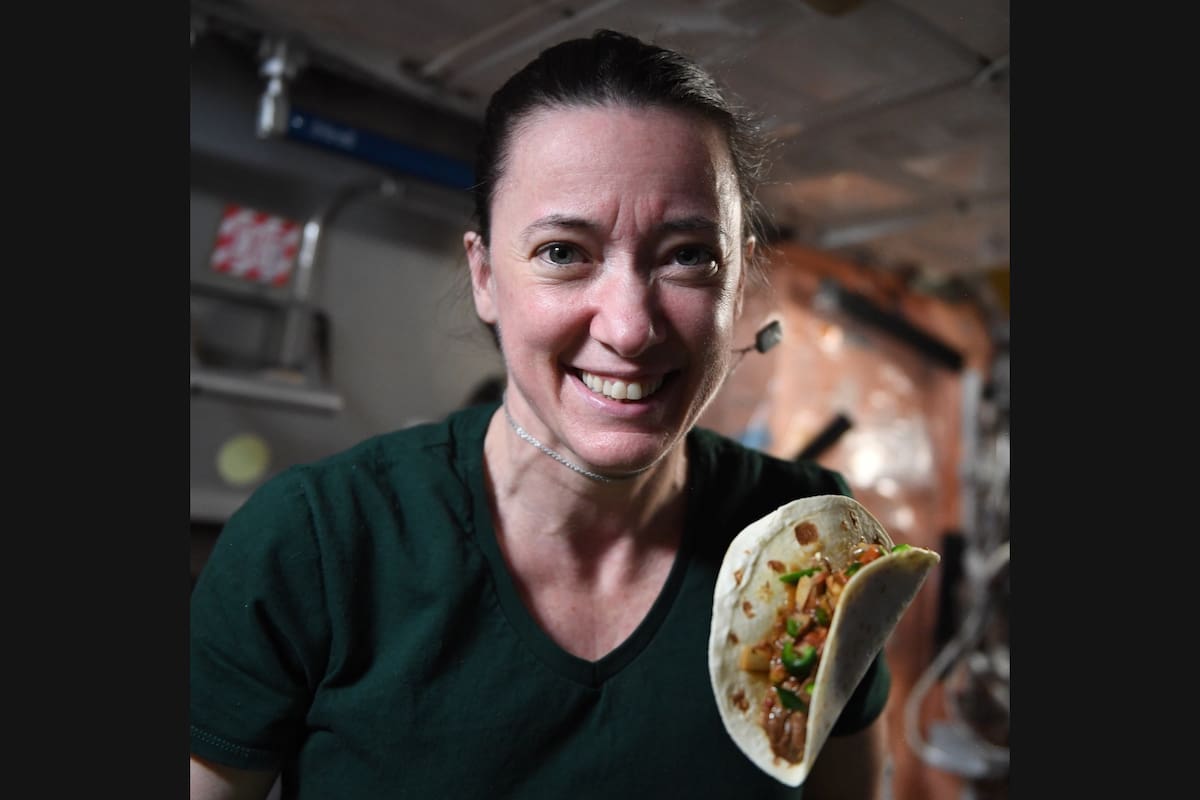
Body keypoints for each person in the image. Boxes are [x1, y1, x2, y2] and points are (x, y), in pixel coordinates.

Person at [190, 29, 890, 799]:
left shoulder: (812, 545)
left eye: (688, 254)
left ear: (740, 284)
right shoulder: (313, 543)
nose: (629, 327)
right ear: (485, 275)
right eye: (563, 252)